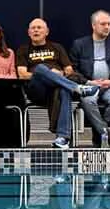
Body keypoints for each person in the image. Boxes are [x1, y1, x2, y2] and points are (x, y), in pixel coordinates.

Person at [15, 18, 92, 150]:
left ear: (47, 32)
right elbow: (22, 74)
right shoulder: (23, 49)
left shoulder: (57, 47)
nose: (36, 30)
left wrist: (58, 75)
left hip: (56, 89)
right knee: (40, 68)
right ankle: (76, 88)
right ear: (28, 32)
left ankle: (62, 138)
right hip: (36, 90)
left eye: (39, 28)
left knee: (63, 90)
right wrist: (45, 73)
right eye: (33, 28)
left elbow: (69, 70)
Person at [68, 10, 110, 147]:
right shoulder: (79, 44)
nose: (107, 27)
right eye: (103, 24)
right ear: (94, 25)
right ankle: (103, 132)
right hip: (89, 86)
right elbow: (72, 71)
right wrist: (89, 82)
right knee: (88, 101)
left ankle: (98, 127)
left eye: (109, 24)